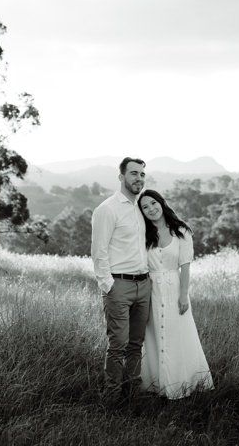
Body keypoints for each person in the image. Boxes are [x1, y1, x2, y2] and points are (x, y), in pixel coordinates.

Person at [136, 189, 215, 399]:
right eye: (145, 207)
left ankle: (181, 383)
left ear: (161, 203)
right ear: (142, 212)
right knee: (152, 336)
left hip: (173, 287)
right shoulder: (143, 234)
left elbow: (185, 267)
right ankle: (156, 384)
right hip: (149, 289)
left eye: (153, 203)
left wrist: (183, 295)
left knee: (177, 335)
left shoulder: (181, 231)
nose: (151, 209)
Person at [92, 157, 152, 407]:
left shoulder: (141, 208)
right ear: (121, 177)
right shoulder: (107, 209)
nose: (139, 178)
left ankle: (132, 396)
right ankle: (112, 401)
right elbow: (99, 251)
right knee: (118, 346)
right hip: (119, 286)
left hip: (143, 285)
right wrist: (108, 286)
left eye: (142, 174)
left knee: (136, 345)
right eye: (134, 173)